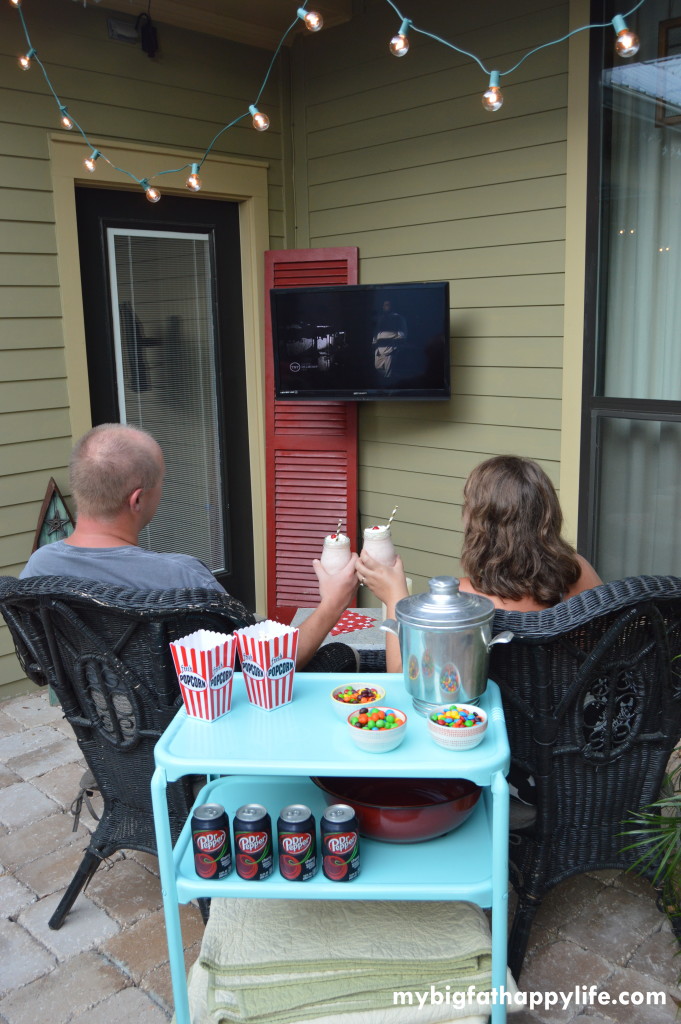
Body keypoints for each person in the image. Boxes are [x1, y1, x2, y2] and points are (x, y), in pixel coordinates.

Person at [21, 423, 359, 670]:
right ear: (137, 499)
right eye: (161, 483)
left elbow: (39, 665)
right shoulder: (180, 577)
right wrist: (334, 601)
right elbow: (268, 664)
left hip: (111, 736)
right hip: (198, 731)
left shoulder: (38, 570)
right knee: (343, 657)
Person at [357, 454, 602, 671]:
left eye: (468, 506)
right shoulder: (578, 570)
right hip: (566, 714)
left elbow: (404, 675)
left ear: (481, 525)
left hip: (486, 717)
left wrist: (394, 597)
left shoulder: (462, 599)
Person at [372, 299, 407, 379]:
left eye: (387, 305)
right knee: (378, 370)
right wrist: (374, 342)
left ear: (392, 306)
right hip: (378, 350)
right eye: (384, 305)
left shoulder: (398, 318)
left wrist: (395, 345)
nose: (384, 307)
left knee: (389, 375)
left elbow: (402, 334)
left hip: (390, 350)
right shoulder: (380, 318)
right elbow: (376, 331)